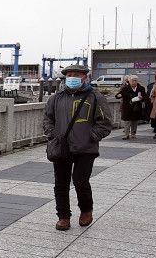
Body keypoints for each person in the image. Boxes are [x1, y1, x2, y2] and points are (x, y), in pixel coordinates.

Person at [44, 63, 112, 231]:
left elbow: (105, 123)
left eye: (77, 74)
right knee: (61, 183)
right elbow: (47, 119)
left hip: (86, 148)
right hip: (61, 147)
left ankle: (86, 210)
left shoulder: (95, 97)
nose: (72, 77)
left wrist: (92, 137)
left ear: (85, 77)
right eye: (69, 74)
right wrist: (53, 134)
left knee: (81, 181)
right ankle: (63, 216)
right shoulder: (56, 98)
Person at [115, 75, 146, 140]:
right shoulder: (125, 88)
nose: (134, 82)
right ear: (129, 81)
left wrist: (142, 98)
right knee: (127, 122)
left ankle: (133, 134)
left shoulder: (141, 88)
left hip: (136, 107)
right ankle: (126, 134)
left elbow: (145, 97)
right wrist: (119, 95)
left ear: (137, 81)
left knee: (135, 121)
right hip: (127, 107)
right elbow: (117, 96)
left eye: (135, 80)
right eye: (132, 80)